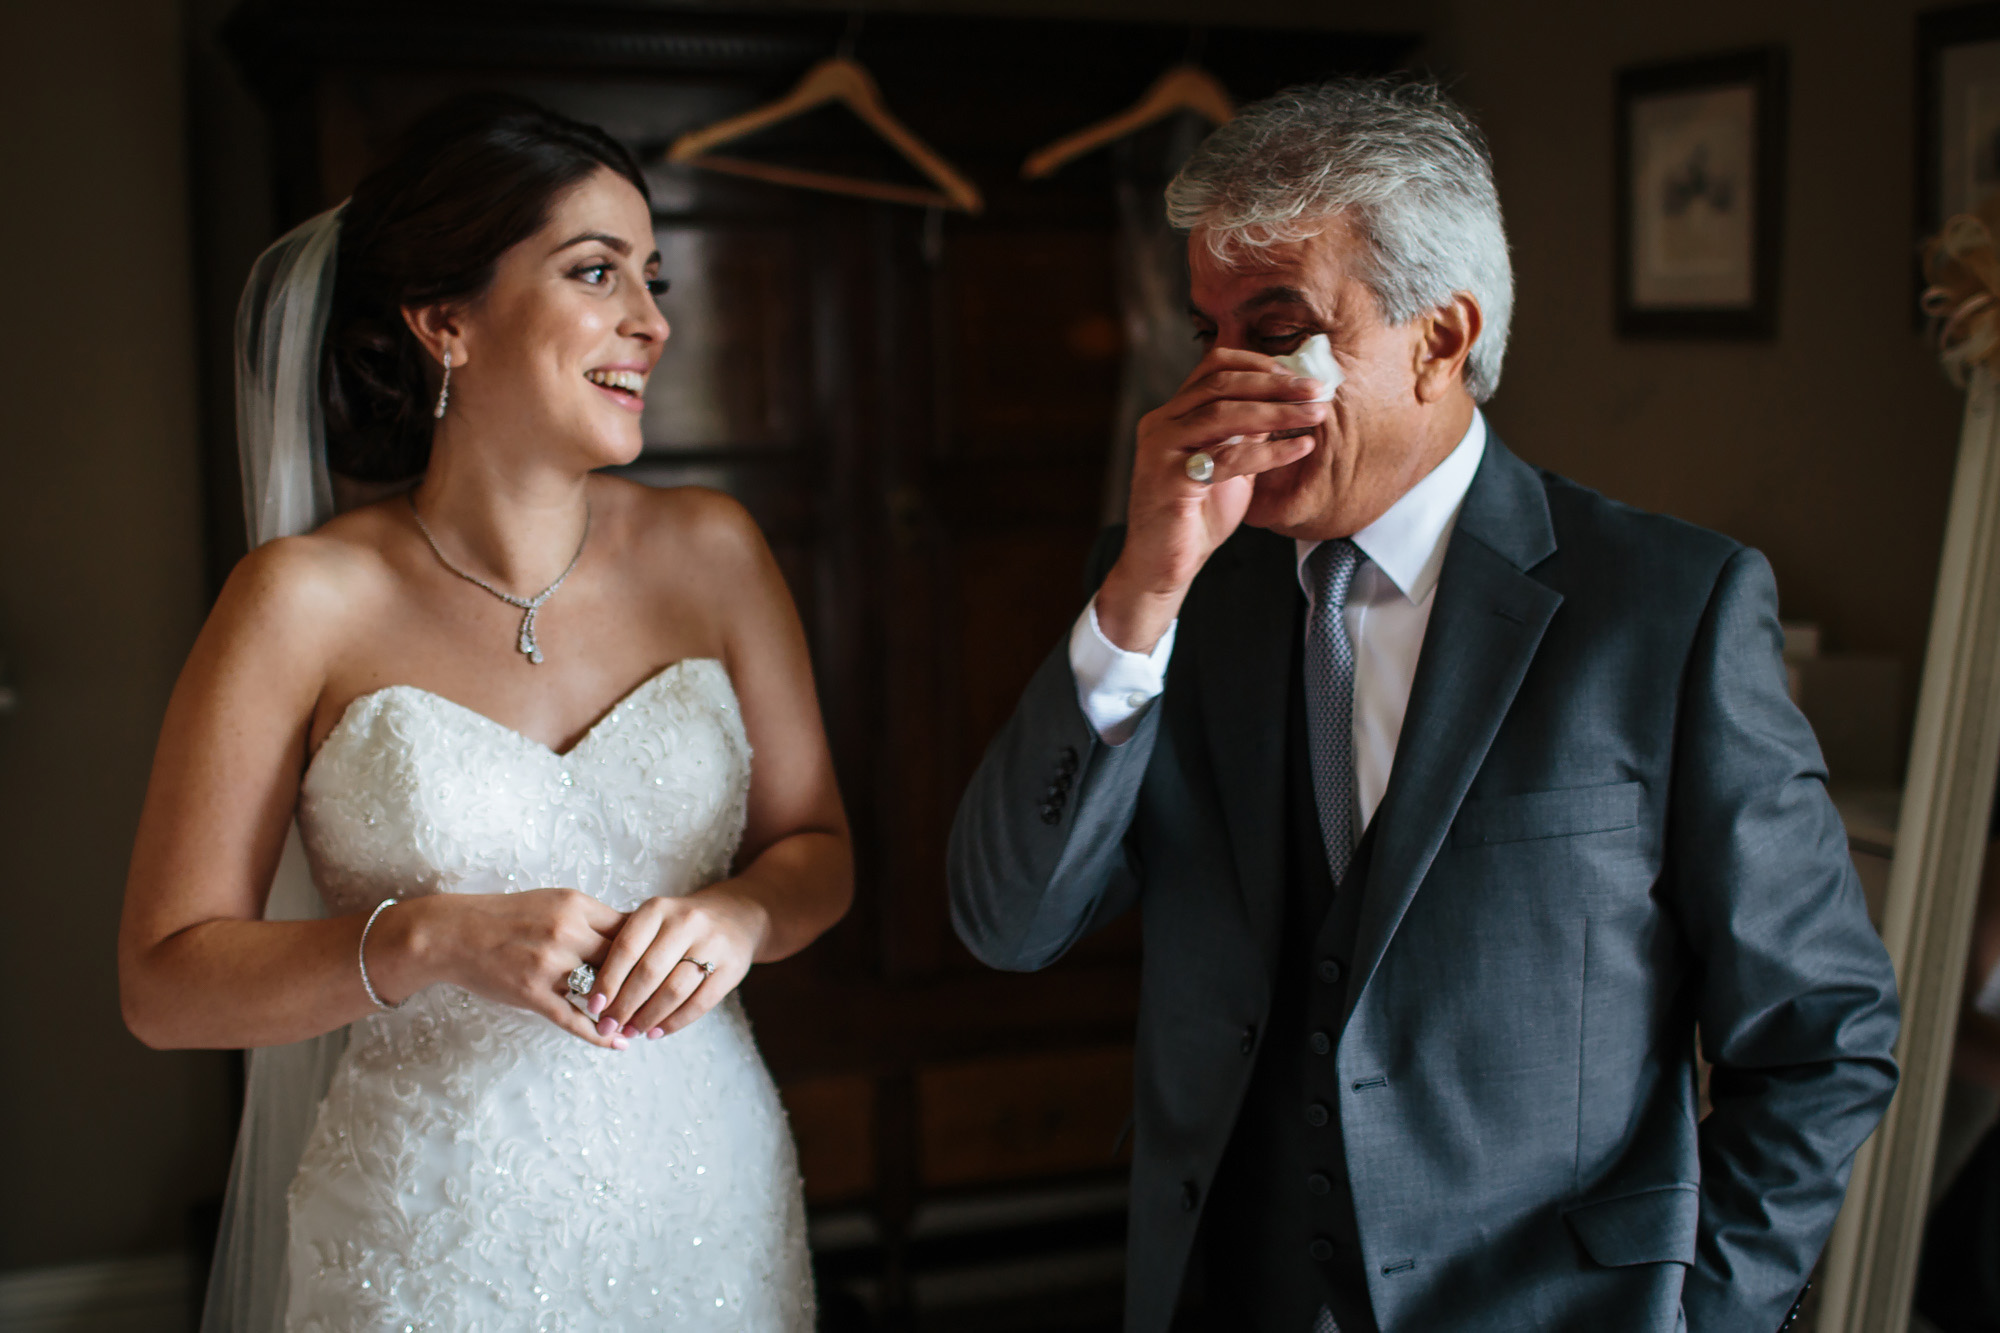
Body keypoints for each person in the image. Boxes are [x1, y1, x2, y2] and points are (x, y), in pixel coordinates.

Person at [948, 78, 1899, 1333]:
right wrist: (1140, 592)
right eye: (1205, 331)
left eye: (1276, 329)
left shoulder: (1668, 610)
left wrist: (1704, 1315)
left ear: (1439, 338)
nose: (1223, 381)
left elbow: (1820, 1036)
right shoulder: (1171, 596)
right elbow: (1005, 922)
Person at [117, 94, 849, 1331]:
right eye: (596, 271)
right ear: (445, 319)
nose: (651, 322)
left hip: (707, 1197)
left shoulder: (713, 553)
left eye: (652, 278)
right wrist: (425, 940)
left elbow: (818, 854)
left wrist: (739, 912)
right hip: (427, 1232)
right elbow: (164, 983)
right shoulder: (300, 601)